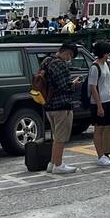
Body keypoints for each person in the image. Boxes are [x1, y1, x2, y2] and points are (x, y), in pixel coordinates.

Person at [43, 43, 83, 173]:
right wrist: (74, 83)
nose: (69, 58)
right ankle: (58, 165)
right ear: (66, 52)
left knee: (56, 136)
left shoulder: (47, 61)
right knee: (61, 137)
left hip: (49, 105)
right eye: (70, 55)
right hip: (61, 105)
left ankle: (53, 163)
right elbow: (64, 87)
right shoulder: (60, 65)